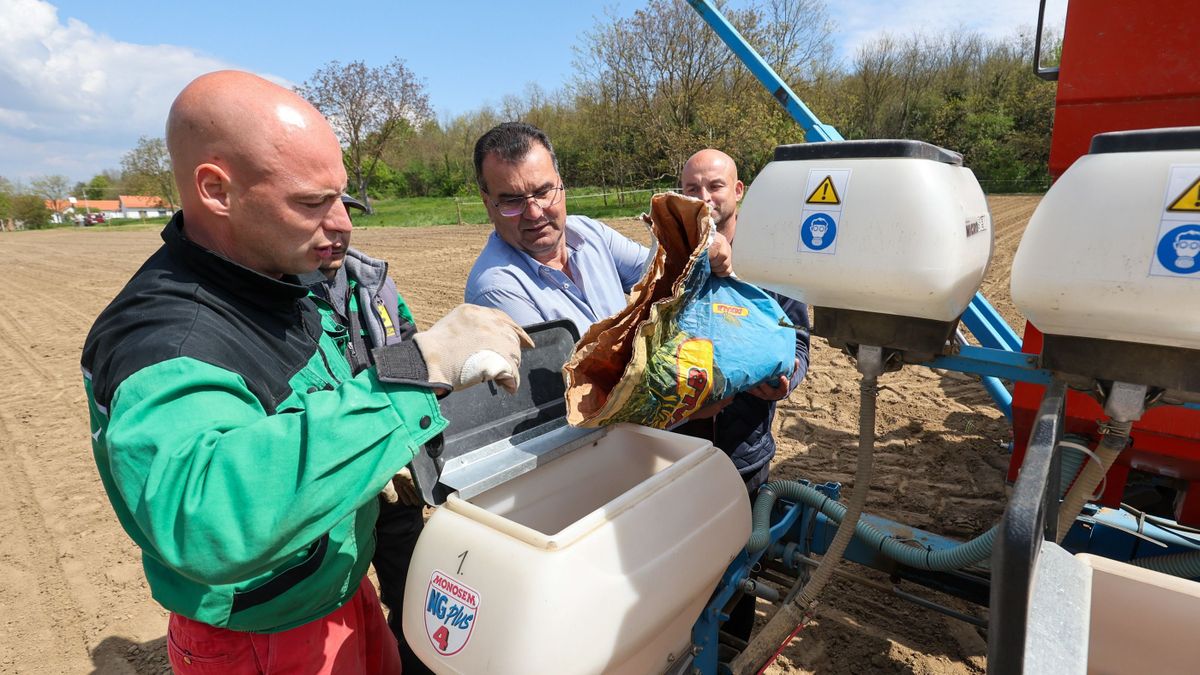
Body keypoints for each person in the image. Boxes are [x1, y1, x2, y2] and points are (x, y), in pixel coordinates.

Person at [81, 71, 531, 674]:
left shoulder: (281, 278)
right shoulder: (165, 340)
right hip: (264, 635)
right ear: (217, 189)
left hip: (339, 588)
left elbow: (318, 403)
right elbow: (208, 514)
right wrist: (420, 366)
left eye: (340, 198)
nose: (343, 224)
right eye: (311, 202)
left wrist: (378, 452)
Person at [678, 147, 811, 640]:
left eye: (714, 186)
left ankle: (733, 651)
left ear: (738, 191)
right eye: (692, 189)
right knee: (683, 564)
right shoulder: (671, 259)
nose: (704, 197)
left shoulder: (774, 262)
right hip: (676, 449)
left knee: (739, 566)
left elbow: (798, 342)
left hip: (743, 450)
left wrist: (784, 380)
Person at [301, 193, 432, 674]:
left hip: (394, 481)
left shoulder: (374, 284)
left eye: (344, 215)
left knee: (413, 597)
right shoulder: (276, 299)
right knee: (340, 624)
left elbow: (407, 348)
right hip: (334, 501)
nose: (336, 228)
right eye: (316, 214)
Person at [464, 121, 733, 338]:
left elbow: (660, 271)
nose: (534, 212)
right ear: (488, 203)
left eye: (544, 191)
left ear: (561, 184)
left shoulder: (588, 233)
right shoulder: (496, 290)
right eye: (512, 201)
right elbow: (573, 391)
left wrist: (704, 245)